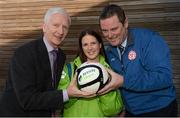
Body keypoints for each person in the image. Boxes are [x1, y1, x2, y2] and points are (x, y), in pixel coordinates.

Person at [0, 7, 94, 117]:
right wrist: (66, 94)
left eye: (65, 27)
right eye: (56, 25)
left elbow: (49, 89)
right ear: (44, 27)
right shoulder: (24, 53)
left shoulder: (61, 56)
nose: (61, 31)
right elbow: (27, 100)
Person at [98, 4, 178, 117]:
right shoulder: (109, 50)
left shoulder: (150, 40)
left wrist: (124, 81)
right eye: (105, 31)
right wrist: (122, 108)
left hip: (160, 110)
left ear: (125, 23)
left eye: (114, 29)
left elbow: (164, 77)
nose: (110, 35)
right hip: (132, 112)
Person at [57, 28, 124, 117]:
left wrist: (104, 89)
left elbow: (112, 111)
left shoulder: (110, 71)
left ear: (100, 45)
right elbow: (60, 103)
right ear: (81, 47)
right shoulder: (69, 69)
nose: (90, 48)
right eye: (85, 44)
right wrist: (73, 93)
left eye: (93, 43)